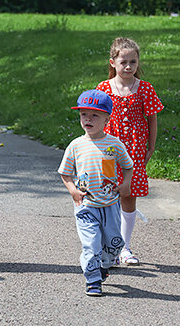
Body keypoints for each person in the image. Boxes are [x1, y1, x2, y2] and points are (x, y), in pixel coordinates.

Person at [58, 89, 133, 297]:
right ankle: (92, 281)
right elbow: (65, 174)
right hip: (86, 206)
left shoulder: (114, 144)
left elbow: (128, 166)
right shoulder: (76, 145)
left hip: (110, 205)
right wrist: (73, 191)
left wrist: (126, 184)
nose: (87, 119)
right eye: (84, 114)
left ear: (107, 119)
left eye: (94, 115)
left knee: (115, 244)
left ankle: (104, 267)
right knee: (91, 245)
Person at [96, 37, 163, 265]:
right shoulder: (103, 88)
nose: (128, 67)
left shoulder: (144, 88)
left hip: (134, 148)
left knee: (128, 194)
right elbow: (94, 118)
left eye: (133, 62)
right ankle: (108, 246)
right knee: (107, 194)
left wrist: (150, 146)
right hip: (107, 149)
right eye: (123, 61)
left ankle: (123, 247)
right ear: (112, 62)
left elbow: (152, 119)